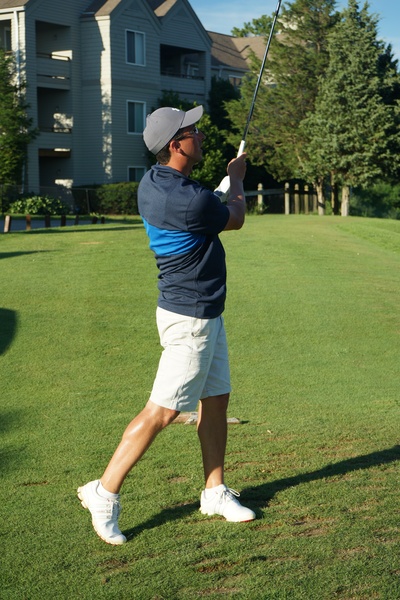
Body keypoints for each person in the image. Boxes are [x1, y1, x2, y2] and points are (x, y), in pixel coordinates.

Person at [77, 105, 255, 545]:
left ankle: (214, 492)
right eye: (193, 131)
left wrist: (219, 190)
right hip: (191, 317)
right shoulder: (191, 199)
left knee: (215, 399)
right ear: (176, 145)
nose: (200, 135)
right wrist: (236, 180)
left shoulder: (155, 182)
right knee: (163, 410)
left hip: (197, 311)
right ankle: (103, 492)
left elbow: (202, 206)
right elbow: (234, 217)